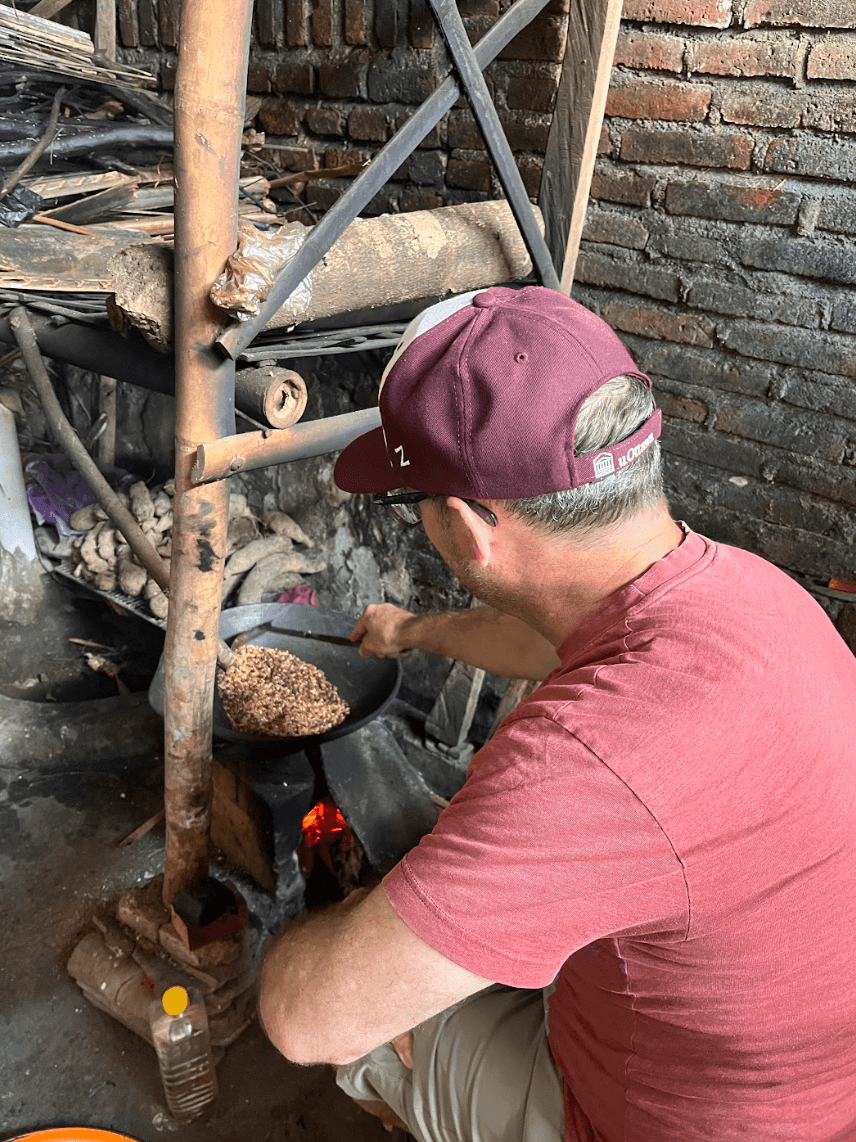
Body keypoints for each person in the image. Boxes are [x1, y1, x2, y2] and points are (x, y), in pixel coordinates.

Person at [258, 286, 856, 1142]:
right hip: (815, 1085)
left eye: (412, 503)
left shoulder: (588, 758)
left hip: (665, 1122)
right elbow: (548, 641)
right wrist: (414, 630)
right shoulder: (750, 590)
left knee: (365, 1040)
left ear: (468, 527)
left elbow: (305, 1018)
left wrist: (323, 929)